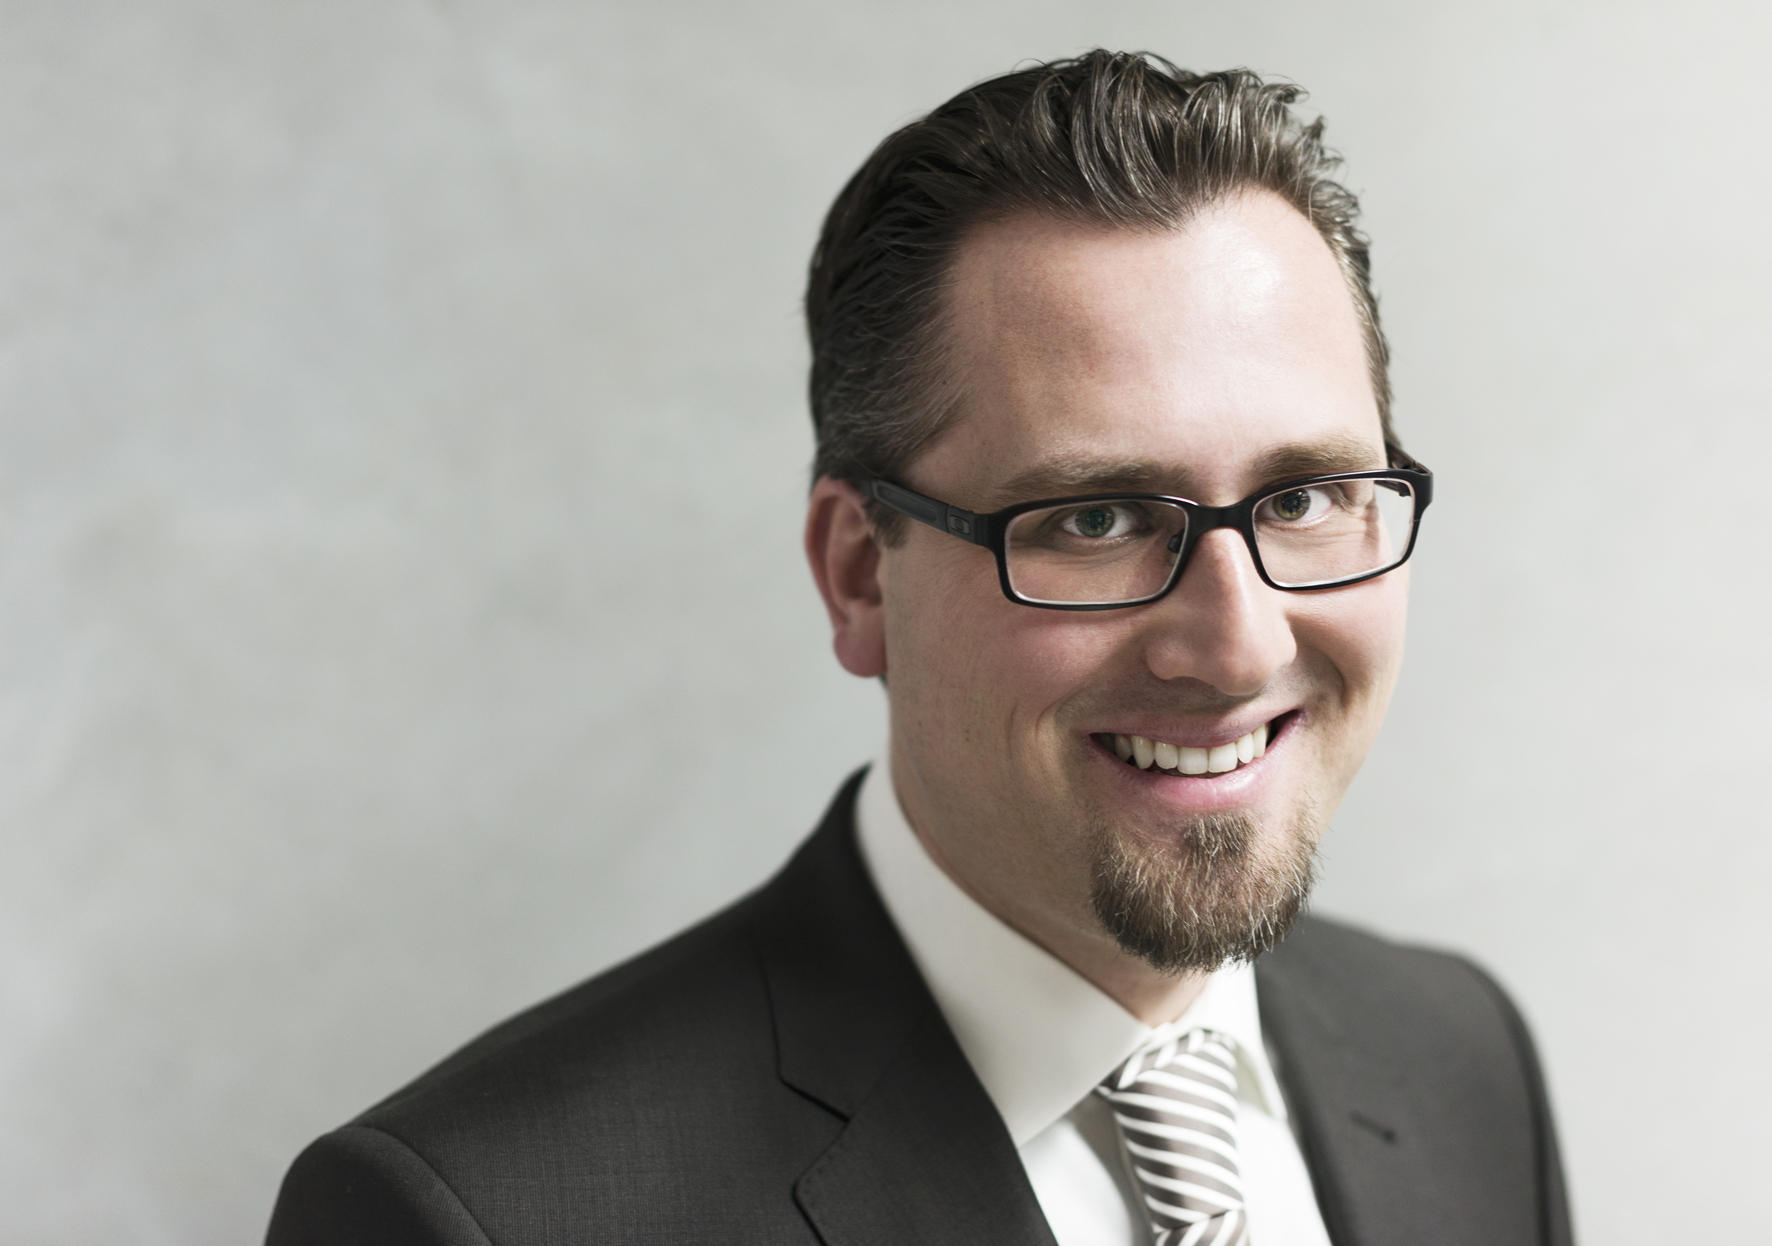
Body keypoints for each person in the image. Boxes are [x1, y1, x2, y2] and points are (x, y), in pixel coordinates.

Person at [267, 52, 1571, 1246]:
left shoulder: (1461, 1061)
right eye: (1097, 520)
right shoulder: (479, 1217)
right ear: (858, 573)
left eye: (1303, 499)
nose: (1236, 646)